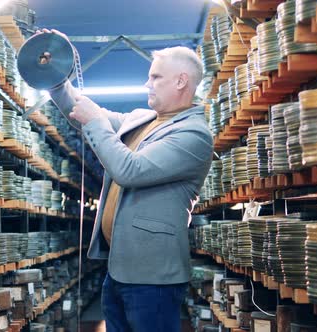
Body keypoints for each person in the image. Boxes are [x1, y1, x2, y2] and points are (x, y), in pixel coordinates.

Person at [41, 29, 214, 331]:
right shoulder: (142, 119)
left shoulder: (194, 135)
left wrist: (95, 120)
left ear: (181, 81)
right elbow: (82, 113)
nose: (147, 83)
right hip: (120, 270)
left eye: (156, 77)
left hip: (153, 279)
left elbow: (129, 170)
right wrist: (57, 79)